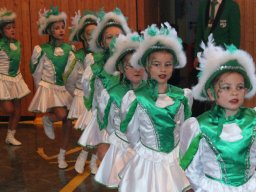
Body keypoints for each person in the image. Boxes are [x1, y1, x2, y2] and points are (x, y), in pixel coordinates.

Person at [119, 23, 193, 192]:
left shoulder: (183, 96)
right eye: (156, 64)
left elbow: (185, 129)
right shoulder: (136, 98)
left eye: (168, 64)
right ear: (147, 66)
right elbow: (132, 132)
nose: (163, 69)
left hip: (175, 158)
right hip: (148, 159)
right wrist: (144, 153)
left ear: (174, 66)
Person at [180, 37, 256, 191]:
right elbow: (192, 168)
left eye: (239, 87)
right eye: (226, 87)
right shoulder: (201, 127)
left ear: (246, 91)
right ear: (211, 93)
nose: (234, 92)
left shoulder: (253, 120)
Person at [75, 8, 131, 174]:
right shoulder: (95, 67)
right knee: (104, 154)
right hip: (106, 121)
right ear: (101, 42)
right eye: (109, 37)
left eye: (118, 36)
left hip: (129, 124)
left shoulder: (134, 64)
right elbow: (89, 91)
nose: (114, 41)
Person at [94, 33, 144, 188]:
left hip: (145, 150)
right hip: (122, 147)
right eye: (130, 65)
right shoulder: (112, 94)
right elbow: (107, 123)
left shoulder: (151, 94)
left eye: (140, 64)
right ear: (121, 68)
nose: (136, 70)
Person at [28, 7, 76, 169]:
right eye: (56, 28)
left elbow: (72, 74)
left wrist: (73, 91)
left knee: (68, 121)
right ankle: (48, 117)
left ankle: (62, 154)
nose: (61, 30)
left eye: (62, 27)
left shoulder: (70, 50)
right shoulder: (41, 50)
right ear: (49, 30)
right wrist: (40, 91)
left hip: (63, 89)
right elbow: (36, 72)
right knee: (62, 114)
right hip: (48, 87)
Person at [65, 10, 99, 174]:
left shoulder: (107, 55)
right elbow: (69, 79)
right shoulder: (78, 55)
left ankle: (91, 160)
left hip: (103, 100)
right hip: (85, 98)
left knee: (99, 131)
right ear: (83, 37)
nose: (93, 36)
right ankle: (85, 155)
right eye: (88, 34)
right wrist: (77, 95)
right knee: (89, 129)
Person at [0, 8, 30, 146]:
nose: (12, 30)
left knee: (17, 110)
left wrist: (18, 79)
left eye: (13, 27)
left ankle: (10, 135)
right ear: (1, 31)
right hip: (2, 79)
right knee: (9, 109)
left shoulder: (17, 43)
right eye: (8, 28)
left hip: (15, 78)